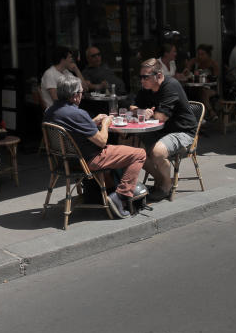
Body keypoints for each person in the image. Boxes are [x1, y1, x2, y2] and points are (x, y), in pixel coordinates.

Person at [43, 76, 146, 218]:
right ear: (74, 96)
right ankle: (121, 196)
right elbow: (102, 141)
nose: (82, 95)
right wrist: (105, 123)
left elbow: (70, 130)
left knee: (118, 151)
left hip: (63, 161)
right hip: (87, 161)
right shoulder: (78, 114)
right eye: (81, 92)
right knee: (139, 153)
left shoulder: (50, 111)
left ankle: (110, 192)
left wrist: (92, 122)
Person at [132, 58, 198, 202]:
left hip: (183, 132)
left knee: (157, 152)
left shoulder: (170, 86)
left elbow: (161, 117)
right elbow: (132, 107)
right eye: (140, 77)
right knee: (133, 151)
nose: (142, 80)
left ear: (159, 76)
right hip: (160, 132)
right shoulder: (146, 88)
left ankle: (166, 186)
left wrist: (147, 113)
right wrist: (142, 111)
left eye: (146, 77)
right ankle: (161, 178)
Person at [183, 44, 220, 120]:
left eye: (202, 54)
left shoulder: (213, 64)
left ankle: (209, 113)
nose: (200, 56)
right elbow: (186, 71)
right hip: (195, 88)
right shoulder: (195, 61)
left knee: (203, 92)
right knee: (199, 92)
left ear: (208, 54)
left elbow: (216, 78)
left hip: (210, 88)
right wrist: (187, 70)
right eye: (199, 54)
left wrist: (208, 77)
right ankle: (208, 114)